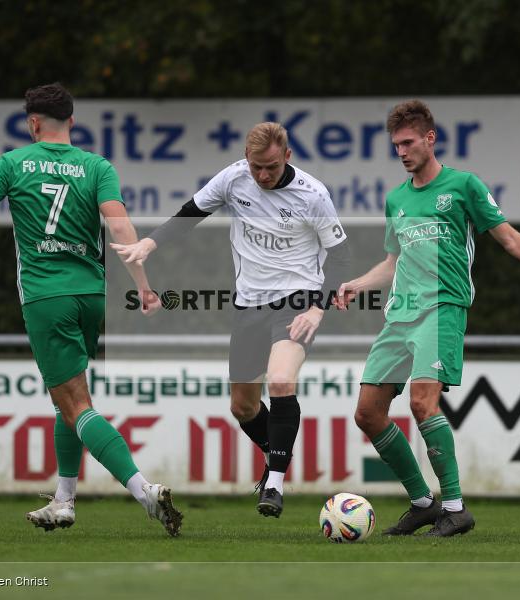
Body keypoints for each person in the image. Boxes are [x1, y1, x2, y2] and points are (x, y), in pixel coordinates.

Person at [0, 83, 183, 537]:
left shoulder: (12, 164)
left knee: (76, 404)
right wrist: (143, 287)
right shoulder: (96, 166)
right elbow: (119, 226)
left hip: (46, 297)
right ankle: (63, 500)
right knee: (66, 401)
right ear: (72, 123)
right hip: (92, 297)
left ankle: (144, 492)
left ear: (33, 123)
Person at [336, 100, 520, 537]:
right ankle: (422, 504)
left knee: (421, 402)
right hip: (400, 316)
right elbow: (393, 262)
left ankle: (455, 508)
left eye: (408, 143)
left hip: (442, 307)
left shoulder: (463, 185)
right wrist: (358, 283)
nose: (402, 152)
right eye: (396, 145)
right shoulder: (396, 198)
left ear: (430, 139)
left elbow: (507, 239)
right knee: (368, 413)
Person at [114, 122, 350, 518]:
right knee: (243, 407)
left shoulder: (314, 195)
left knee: (279, 380)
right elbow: (189, 214)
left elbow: (341, 257)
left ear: (287, 156)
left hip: (298, 299)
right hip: (248, 306)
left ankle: (273, 482)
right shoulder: (233, 178)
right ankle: (279, 451)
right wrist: (148, 244)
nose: (262, 175)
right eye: (256, 166)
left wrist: (317, 308)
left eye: (271, 167)